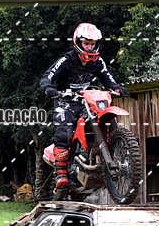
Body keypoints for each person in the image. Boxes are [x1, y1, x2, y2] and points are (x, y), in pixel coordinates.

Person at [40, 23, 127, 189]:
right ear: (78, 42)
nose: (89, 47)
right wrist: (49, 88)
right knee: (64, 130)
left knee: (102, 120)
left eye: (92, 44)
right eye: (86, 43)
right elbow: (47, 76)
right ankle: (61, 174)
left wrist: (116, 88)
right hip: (65, 100)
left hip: (86, 100)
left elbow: (108, 78)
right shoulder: (67, 60)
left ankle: (105, 152)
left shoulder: (98, 61)